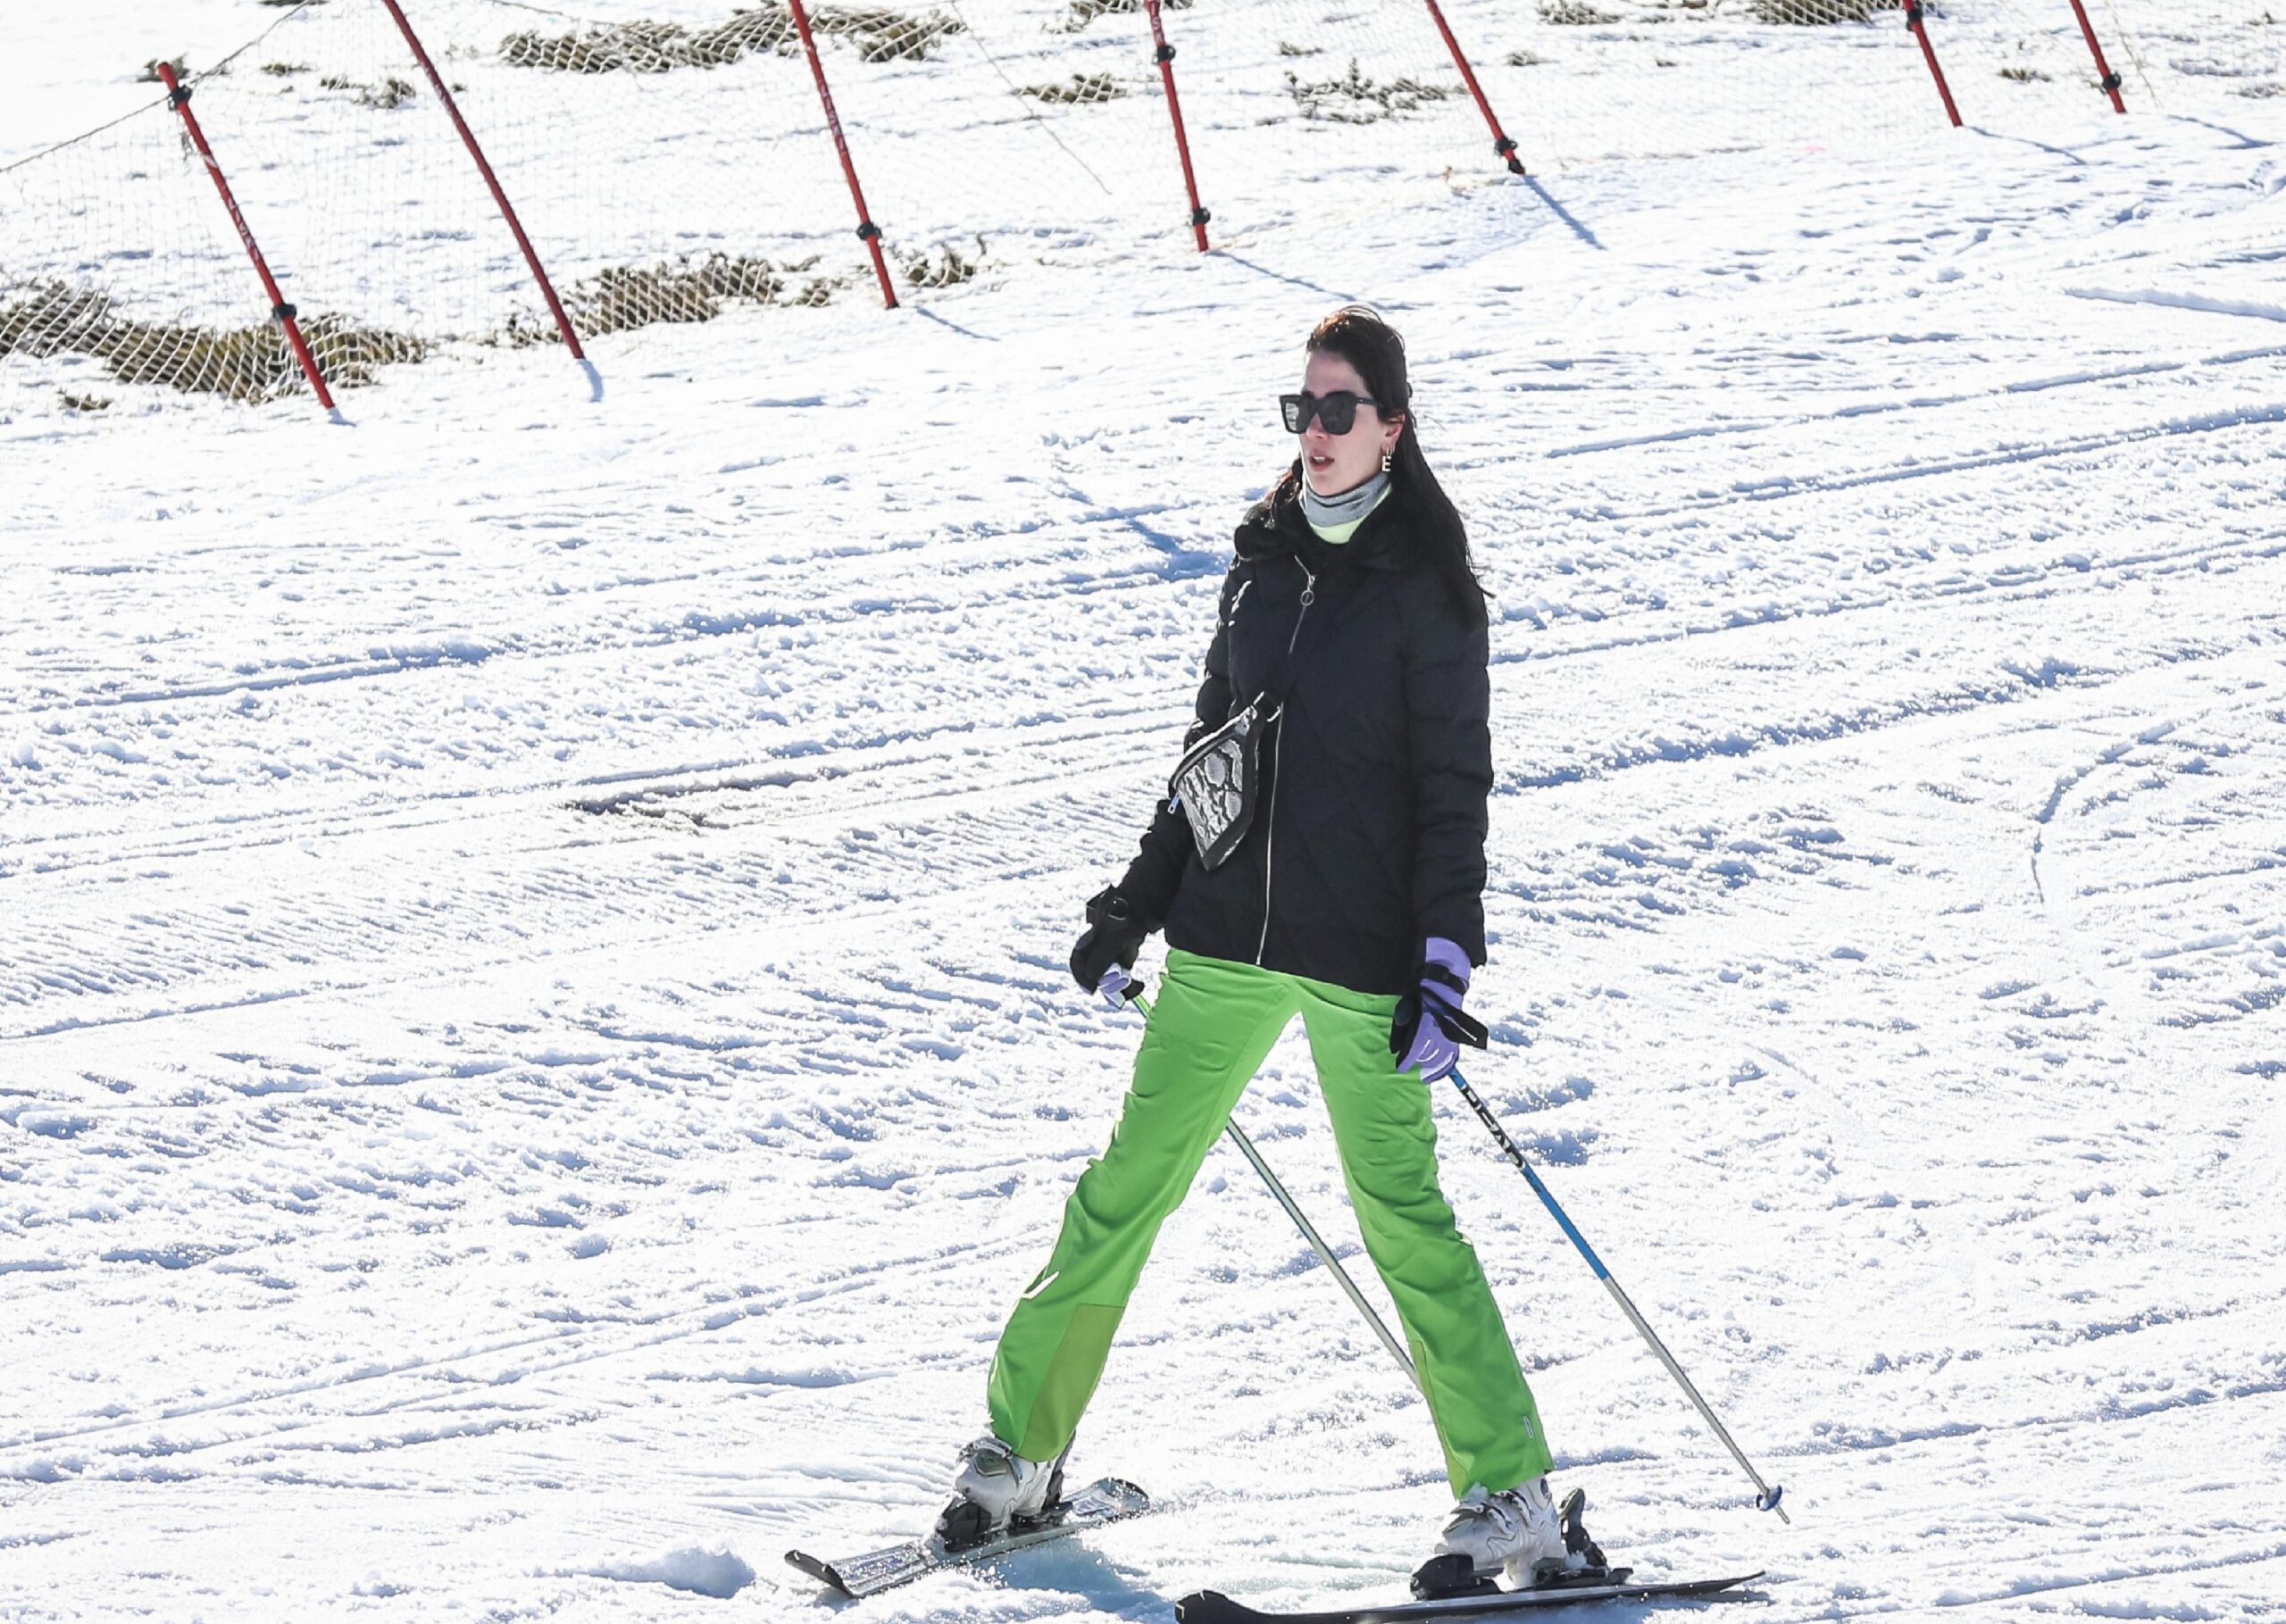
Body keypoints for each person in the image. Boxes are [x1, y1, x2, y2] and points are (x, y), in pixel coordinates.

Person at [944, 306, 1567, 1587]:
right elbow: (1206, 760)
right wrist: (1134, 901)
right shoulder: (1262, 562)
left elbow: (1455, 788)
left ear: (1394, 425)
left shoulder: (1429, 593)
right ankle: (1019, 1453)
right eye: (1304, 410)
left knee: (1405, 1222)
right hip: (1225, 939)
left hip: (1363, 960)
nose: (1318, 433)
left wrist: (1447, 965)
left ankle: (1513, 1495)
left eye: (1342, 410)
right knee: (1124, 1192)